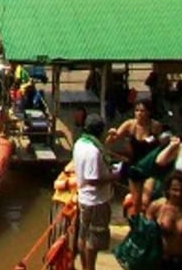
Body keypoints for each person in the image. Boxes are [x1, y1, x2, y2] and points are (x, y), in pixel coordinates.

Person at [74, 115, 120, 270]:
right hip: (96, 201)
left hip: (84, 198)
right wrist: (114, 176)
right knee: (93, 241)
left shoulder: (80, 143)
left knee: (83, 235)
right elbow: (92, 179)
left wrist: (109, 142)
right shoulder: (94, 151)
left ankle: (85, 266)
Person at [108, 99, 167, 212]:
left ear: (149, 112)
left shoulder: (155, 126)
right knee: (136, 202)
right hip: (134, 166)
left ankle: (147, 219)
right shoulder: (130, 124)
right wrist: (112, 135)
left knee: (145, 199)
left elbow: (161, 145)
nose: (139, 113)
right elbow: (111, 141)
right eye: (137, 110)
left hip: (150, 167)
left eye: (142, 111)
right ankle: (136, 223)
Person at [148, 171, 182, 269]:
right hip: (161, 260)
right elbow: (144, 231)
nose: (178, 194)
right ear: (168, 189)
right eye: (175, 190)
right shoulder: (156, 206)